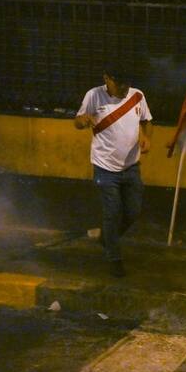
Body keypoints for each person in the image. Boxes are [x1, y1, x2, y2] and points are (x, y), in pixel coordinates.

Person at [74, 67, 153, 277]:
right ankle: (114, 258)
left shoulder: (138, 95)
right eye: (119, 83)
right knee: (112, 213)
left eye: (126, 82)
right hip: (105, 168)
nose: (123, 87)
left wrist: (147, 137)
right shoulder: (94, 95)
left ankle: (107, 239)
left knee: (133, 211)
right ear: (106, 79)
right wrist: (84, 121)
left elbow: (146, 121)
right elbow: (78, 120)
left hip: (131, 167)